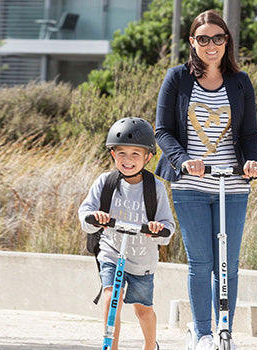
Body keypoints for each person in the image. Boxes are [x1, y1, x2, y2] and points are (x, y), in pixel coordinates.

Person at [154, 9, 257, 350]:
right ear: (192, 42)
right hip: (190, 186)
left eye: (218, 38)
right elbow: (163, 131)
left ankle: (223, 330)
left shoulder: (240, 81)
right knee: (201, 262)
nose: (211, 45)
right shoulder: (177, 78)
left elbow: (249, 134)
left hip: (231, 184)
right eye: (203, 39)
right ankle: (201, 333)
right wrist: (184, 161)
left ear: (226, 40)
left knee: (227, 263)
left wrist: (254, 161)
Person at [79, 117, 176, 350]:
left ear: (148, 157)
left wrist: (157, 230)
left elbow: (168, 227)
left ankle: (150, 346)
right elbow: (85, 214)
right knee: (111, 299)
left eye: (135, 154)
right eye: (121, 153)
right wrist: (95, 217)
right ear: (113, 154)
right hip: (112, 252)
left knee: (143, 310)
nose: (128, 160)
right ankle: (110, 346)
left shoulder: (155, 188)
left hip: (142, 259)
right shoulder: (105, 182)